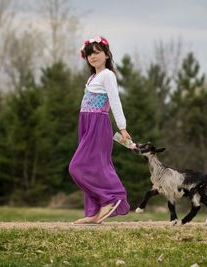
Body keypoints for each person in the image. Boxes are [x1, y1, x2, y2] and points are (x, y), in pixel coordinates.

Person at [69, 36, 131, 224]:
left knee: (77, 166)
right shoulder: (92, 77)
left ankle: (112, 197)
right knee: (90, 167)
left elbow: (115, 101)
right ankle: (93, 212)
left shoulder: (108, 75)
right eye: (89, 54)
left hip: (98, 124)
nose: (93, 57)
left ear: (106, 54)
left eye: (97, 52)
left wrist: (122, 127)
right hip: (86, 124)